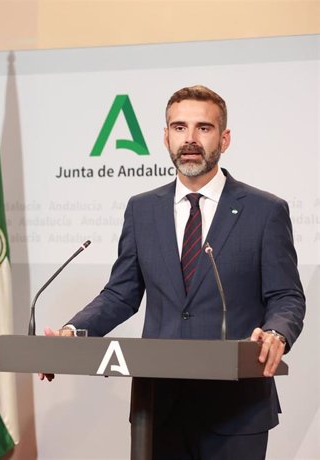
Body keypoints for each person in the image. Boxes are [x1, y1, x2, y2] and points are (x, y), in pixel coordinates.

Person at [40, 85, 305, 459]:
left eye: (204, 128)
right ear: (165, 136)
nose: (190, 139)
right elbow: (121, 293)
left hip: (236, 411)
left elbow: (286, 296)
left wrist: (277, 332)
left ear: (224, 138)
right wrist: (73, 332)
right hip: (159, 407)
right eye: (179, 128)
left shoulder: (264, 211)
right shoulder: (142, 209)